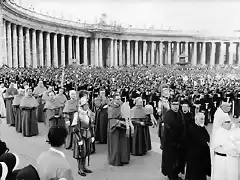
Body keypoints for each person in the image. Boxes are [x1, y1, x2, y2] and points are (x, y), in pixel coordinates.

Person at [161, 97, 185, 180]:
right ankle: (172, 176)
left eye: (177, 104)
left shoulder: (180, 113)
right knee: (171, 161)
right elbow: (169, 131)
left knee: (178, 160)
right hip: (170, 143)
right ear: (171, 105)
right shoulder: (168, 115)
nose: (176, 106)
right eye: (174, 104)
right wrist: (174, 142)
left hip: (179, 142)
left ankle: (175, 174)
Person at [70, 96, 94, 176]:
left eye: (87, 104)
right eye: (85, 105)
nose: (87, 106)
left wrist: (92, 135)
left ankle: (84, 167)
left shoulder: (89, 113)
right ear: (82, 106)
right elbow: (75, 127)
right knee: (80, 152)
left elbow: (91, 125)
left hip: (88, 134)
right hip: (80, 135)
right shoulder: (77, 114)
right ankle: (80, 169)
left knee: (86, 151)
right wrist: (79, 138)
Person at [185, 112, 211, 180]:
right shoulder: (191, 128)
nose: (202, 121)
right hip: (194, 156)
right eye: (201, 119)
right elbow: (199, 140)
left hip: (201, 156)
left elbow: (207, 137)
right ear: (196, 119)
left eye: (203, 119)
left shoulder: (201, 127)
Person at [107, 93, 130, 166]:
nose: (119, 100)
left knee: (123, 143)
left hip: (122, 127)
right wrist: (120, 122)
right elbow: (111, 119)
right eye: (117, 99)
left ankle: (123, 159)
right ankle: (116, 160)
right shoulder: (110, 107)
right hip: (114, 127)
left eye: (120, 99)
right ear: (113, 99)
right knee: (116, 144)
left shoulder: (122, 106)